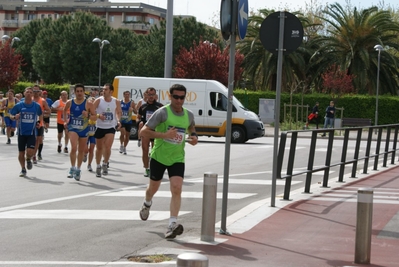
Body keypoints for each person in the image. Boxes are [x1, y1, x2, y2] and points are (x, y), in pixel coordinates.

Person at [139, 84, 198, 239]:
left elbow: (191, 127)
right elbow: (143, 131)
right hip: (159, 157)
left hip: (177, 158)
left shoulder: (189, 114)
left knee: (177, 188)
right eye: (176, 97)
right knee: (153, 188)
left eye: (182, 97)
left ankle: (172, 224)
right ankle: (147, 203)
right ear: (170, 96)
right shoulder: (162, 112)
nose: (179, 100)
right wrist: (164, 135)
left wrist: (194, 137)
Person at [63, 84, 96, 181]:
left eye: (81, 91)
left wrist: (88, 115)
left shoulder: (89, 104)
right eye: (77, 91)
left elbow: (95, 117)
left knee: (81, 151)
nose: (79, 93)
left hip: (84, 129)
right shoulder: (70, 102)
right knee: (73, 148)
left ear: (84, 92)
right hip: (73, 128)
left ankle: (78, 169)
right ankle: (72, 168)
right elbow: (65, 110)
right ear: (74, 92)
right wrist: (65, 121)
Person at [9, 87, 43, 177]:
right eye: (27, 92)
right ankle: (23, 169)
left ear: (32, 94)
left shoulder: (36, 106)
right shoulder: (19, 105)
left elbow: (40, 114)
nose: (28, 93)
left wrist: (40, 122)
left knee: (30, 152)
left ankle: (28, 160)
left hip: (31, 133)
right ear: (24, 93)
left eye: (30, 92)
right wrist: (14, 117)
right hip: (21, 133)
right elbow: (10, 114)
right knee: (21, 152)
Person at [93, 83, 122, 177]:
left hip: (110, 126)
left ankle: (105, 163)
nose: (103, 91)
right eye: (103, 89)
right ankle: (98, 166)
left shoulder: (116, 101)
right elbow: (91, 111)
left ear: (111, 91)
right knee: (99, 148)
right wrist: (98, 116)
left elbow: (118, 112)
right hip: (100, 126)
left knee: (108, 146)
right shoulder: (98, 100)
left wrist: (118, 121)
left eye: (106, 89)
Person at [137, 87, 163, 177]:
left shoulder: (160, 106)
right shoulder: (143, 107)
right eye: (149, 94)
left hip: (156, 131)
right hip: (146, 130)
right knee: (145, 150)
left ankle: (153, 167)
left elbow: (164, 118)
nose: (151, 96)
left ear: (155, 95)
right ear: (146, 95)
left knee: (154, 151)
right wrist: (139, 121)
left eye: (153, 95)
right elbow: (138, 117)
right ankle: (146, 168)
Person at [32, 85, 51, 162]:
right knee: (34, 139)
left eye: (37, 91)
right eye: (34, 91)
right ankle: (33, 155)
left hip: (39, 122)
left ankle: (38, 153)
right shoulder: (30, 100)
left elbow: (49, 111)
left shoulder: (42, 100)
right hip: (31, 122)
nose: (35, 93)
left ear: (39, 92)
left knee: (39, 139)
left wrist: (43, 113)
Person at [119, 91, 135, 155]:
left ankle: (125, 147)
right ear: (123, 95)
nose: (127, 96)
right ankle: (121, 145)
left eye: (128, 95)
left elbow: (136, 111)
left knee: (127, 135)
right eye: (126, 95)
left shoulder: (131, 103)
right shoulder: (120, 102)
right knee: (122, 133)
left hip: (128, 121)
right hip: (122, 120)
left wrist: (132, 110)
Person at [84, 97, 97, 172]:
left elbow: (98, 117)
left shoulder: (96, 112)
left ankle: (89, 164)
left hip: (93, 133)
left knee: (91, 149)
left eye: (93, 102)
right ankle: (85, 154)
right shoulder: (84, 112)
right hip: (85, 133)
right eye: (91, 102)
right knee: (86, 150)